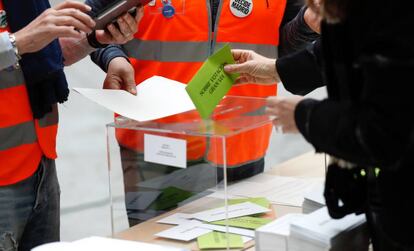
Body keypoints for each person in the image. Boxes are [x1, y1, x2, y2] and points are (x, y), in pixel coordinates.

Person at [224, 0, 414, 249]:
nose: (311, 5)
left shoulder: (397, 19)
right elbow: (343, 47)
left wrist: (306, 117)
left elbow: (383, 131)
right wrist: (275, 69)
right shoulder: (366, 16)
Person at [0, 1, 143, 249]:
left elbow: (44, 55)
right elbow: (23, 44)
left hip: (39, 167)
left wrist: (95, 41)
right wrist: (17, 42)